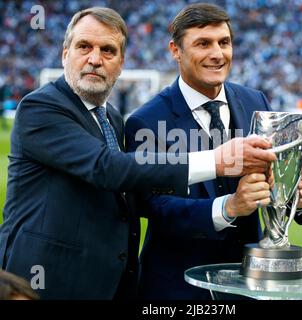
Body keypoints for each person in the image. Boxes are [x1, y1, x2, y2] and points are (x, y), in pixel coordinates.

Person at [0, 7, 276, 300]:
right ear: (64, 53)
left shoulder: (112, 120)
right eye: (84, 47)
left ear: (121, 63)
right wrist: (217, 162)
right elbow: (107, 167)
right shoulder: (40, 108)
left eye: (108, 50)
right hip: (46, 282)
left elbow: (133, 195)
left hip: (107, 283)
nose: (95, 59)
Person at [125, 3, 302, 300]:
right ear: (176, 50)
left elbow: (273, 177)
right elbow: (156, 206)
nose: (217, 54)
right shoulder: (147, 121)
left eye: (224, 42)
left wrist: (296, 198)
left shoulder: (255, 100)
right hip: (178, 289)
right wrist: (229, 207)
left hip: (249, 284)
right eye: (203, 43)